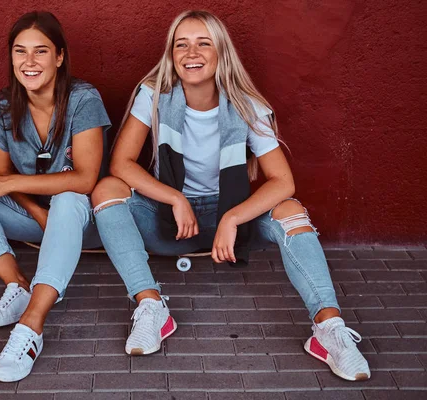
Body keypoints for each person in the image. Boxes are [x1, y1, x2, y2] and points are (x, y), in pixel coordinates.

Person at [91, 10, 370, 381]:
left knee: (289, 208)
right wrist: (175, 198)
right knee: (107, 188)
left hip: (233, 227)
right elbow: (122, 164)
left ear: (221, 52)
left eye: (204, 43)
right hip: (170, 222)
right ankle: (151, 307)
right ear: (171, 55)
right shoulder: (155, 95)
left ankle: (329, 330)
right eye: (182, 44)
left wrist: (232, 217)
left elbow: (282, 181)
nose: (192, 52)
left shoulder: (245, 105)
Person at [0, 11, 111, 382]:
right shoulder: (4, 107)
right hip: (39, 221)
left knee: (68, 197)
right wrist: (35, 212)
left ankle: (31, 328)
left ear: (60, 57)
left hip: (82, 221)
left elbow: (83, 180)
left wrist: (11, 185)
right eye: (20, 52)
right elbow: (1, 179)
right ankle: (15, 285)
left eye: (40, 51)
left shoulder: (83, 99)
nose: (29, 62)